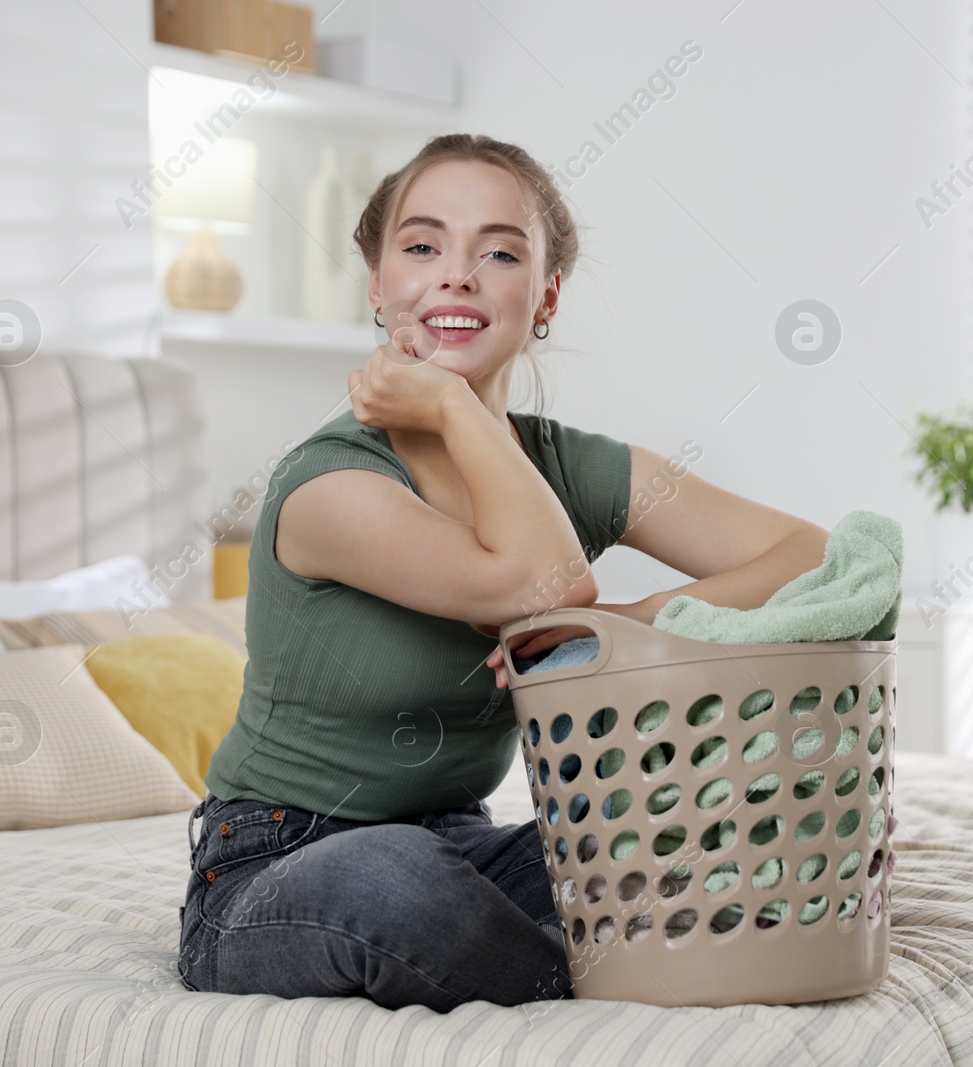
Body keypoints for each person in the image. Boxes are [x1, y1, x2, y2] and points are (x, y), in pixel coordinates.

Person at [176, 132, 833, 1012]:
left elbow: (813, 560)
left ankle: (613, 956)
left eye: (499, 251)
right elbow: (544, 589)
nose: (457, 275)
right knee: (391, 875)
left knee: (680, 835)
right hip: (271, 867)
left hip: (458, 847)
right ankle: (611, 986)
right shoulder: (330, 482)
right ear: (378, 284)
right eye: (420, 246)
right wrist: (448, 400)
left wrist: (632, 626)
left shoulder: (565, 469)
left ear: (546, 292)